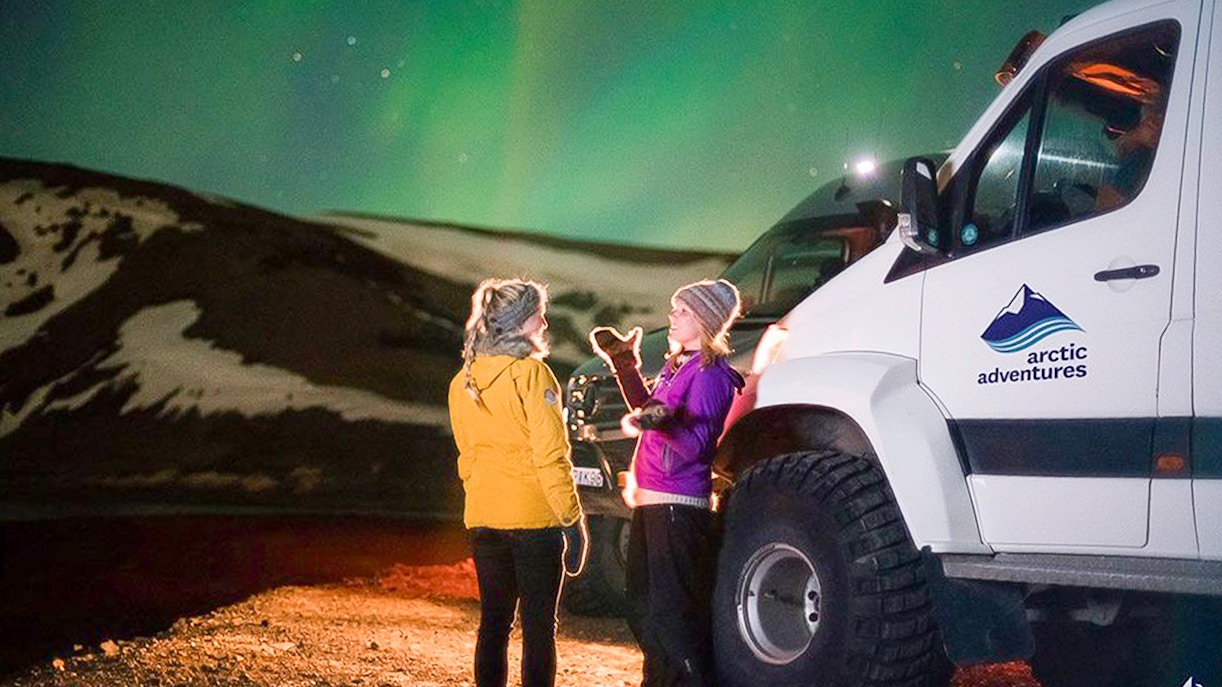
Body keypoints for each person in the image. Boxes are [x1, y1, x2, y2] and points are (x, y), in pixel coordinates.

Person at [601, 279, 745, 687]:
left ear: (705, 319)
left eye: (681, 310)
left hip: (677, 503)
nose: (672, 317)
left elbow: (698, 445)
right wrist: (625, 366)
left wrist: (658, 421)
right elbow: (650, 412)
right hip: (654, 499)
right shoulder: (677, 365)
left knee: (671, 615)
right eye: (674, 308)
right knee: (644, 608)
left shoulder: (712, 374)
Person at [448, 278, 588, 687]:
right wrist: (571, 519)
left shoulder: (463, 382)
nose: (545, 322)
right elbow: (551, 456)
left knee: (493, 623)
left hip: (484, 519)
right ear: (520, 322)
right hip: (534, 520)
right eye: (537, 314)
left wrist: (481, 503)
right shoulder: (533, 376)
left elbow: (467, 458)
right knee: (539, 629)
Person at [1096, 101, 1164, 211]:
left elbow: (1106, 209)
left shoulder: (1139, 163)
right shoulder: (1118, 161)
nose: (1157, 135)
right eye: (1153, 124)